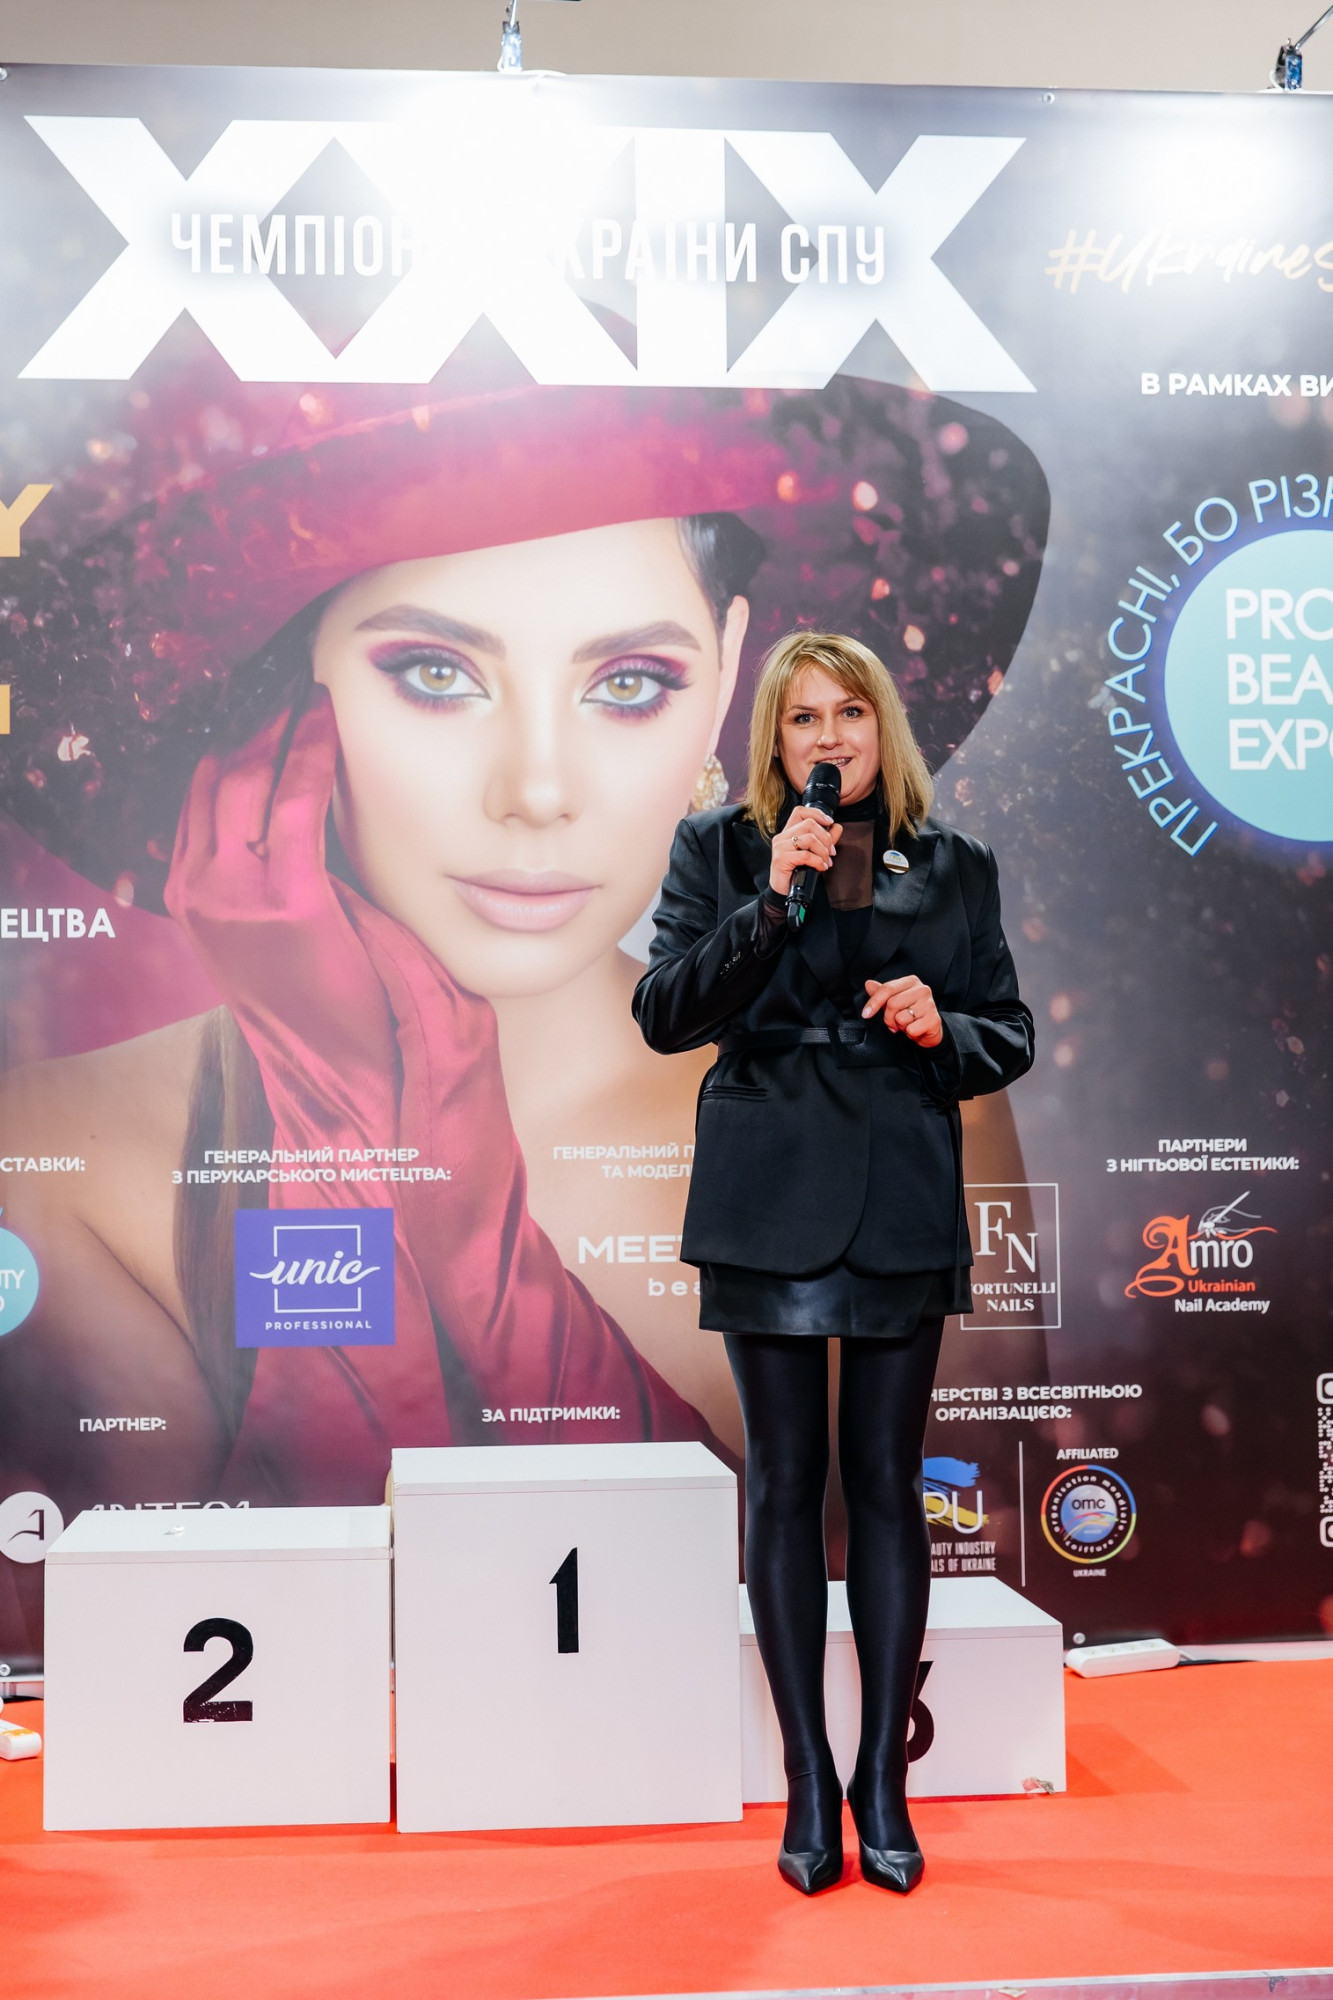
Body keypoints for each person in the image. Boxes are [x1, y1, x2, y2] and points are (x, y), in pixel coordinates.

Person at [0, 379, 1046, 1661]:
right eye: (436, 673)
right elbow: (172, 1669)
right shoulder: (65, 1159)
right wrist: (347, 1120)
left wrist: (430, 1165)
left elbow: (952, 1611)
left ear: (729, 669)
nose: (537, 789)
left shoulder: (904, 1085)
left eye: (630, 680)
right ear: (288, 696)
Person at [633, 632, 1035, 1894]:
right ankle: (808, 1774)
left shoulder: (954, 862)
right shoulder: (719, 848)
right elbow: (665, 1014)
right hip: (765, 1190)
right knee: (782, 1483)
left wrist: (939, 1024)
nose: (828, 737)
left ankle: (880, 1780)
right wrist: (770, 901)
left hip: (899, 1192)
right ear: (775, 739)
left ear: (881, 728)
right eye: (803, 717)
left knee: (885, 1483)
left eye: (848, 713)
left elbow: (1007, 1029)